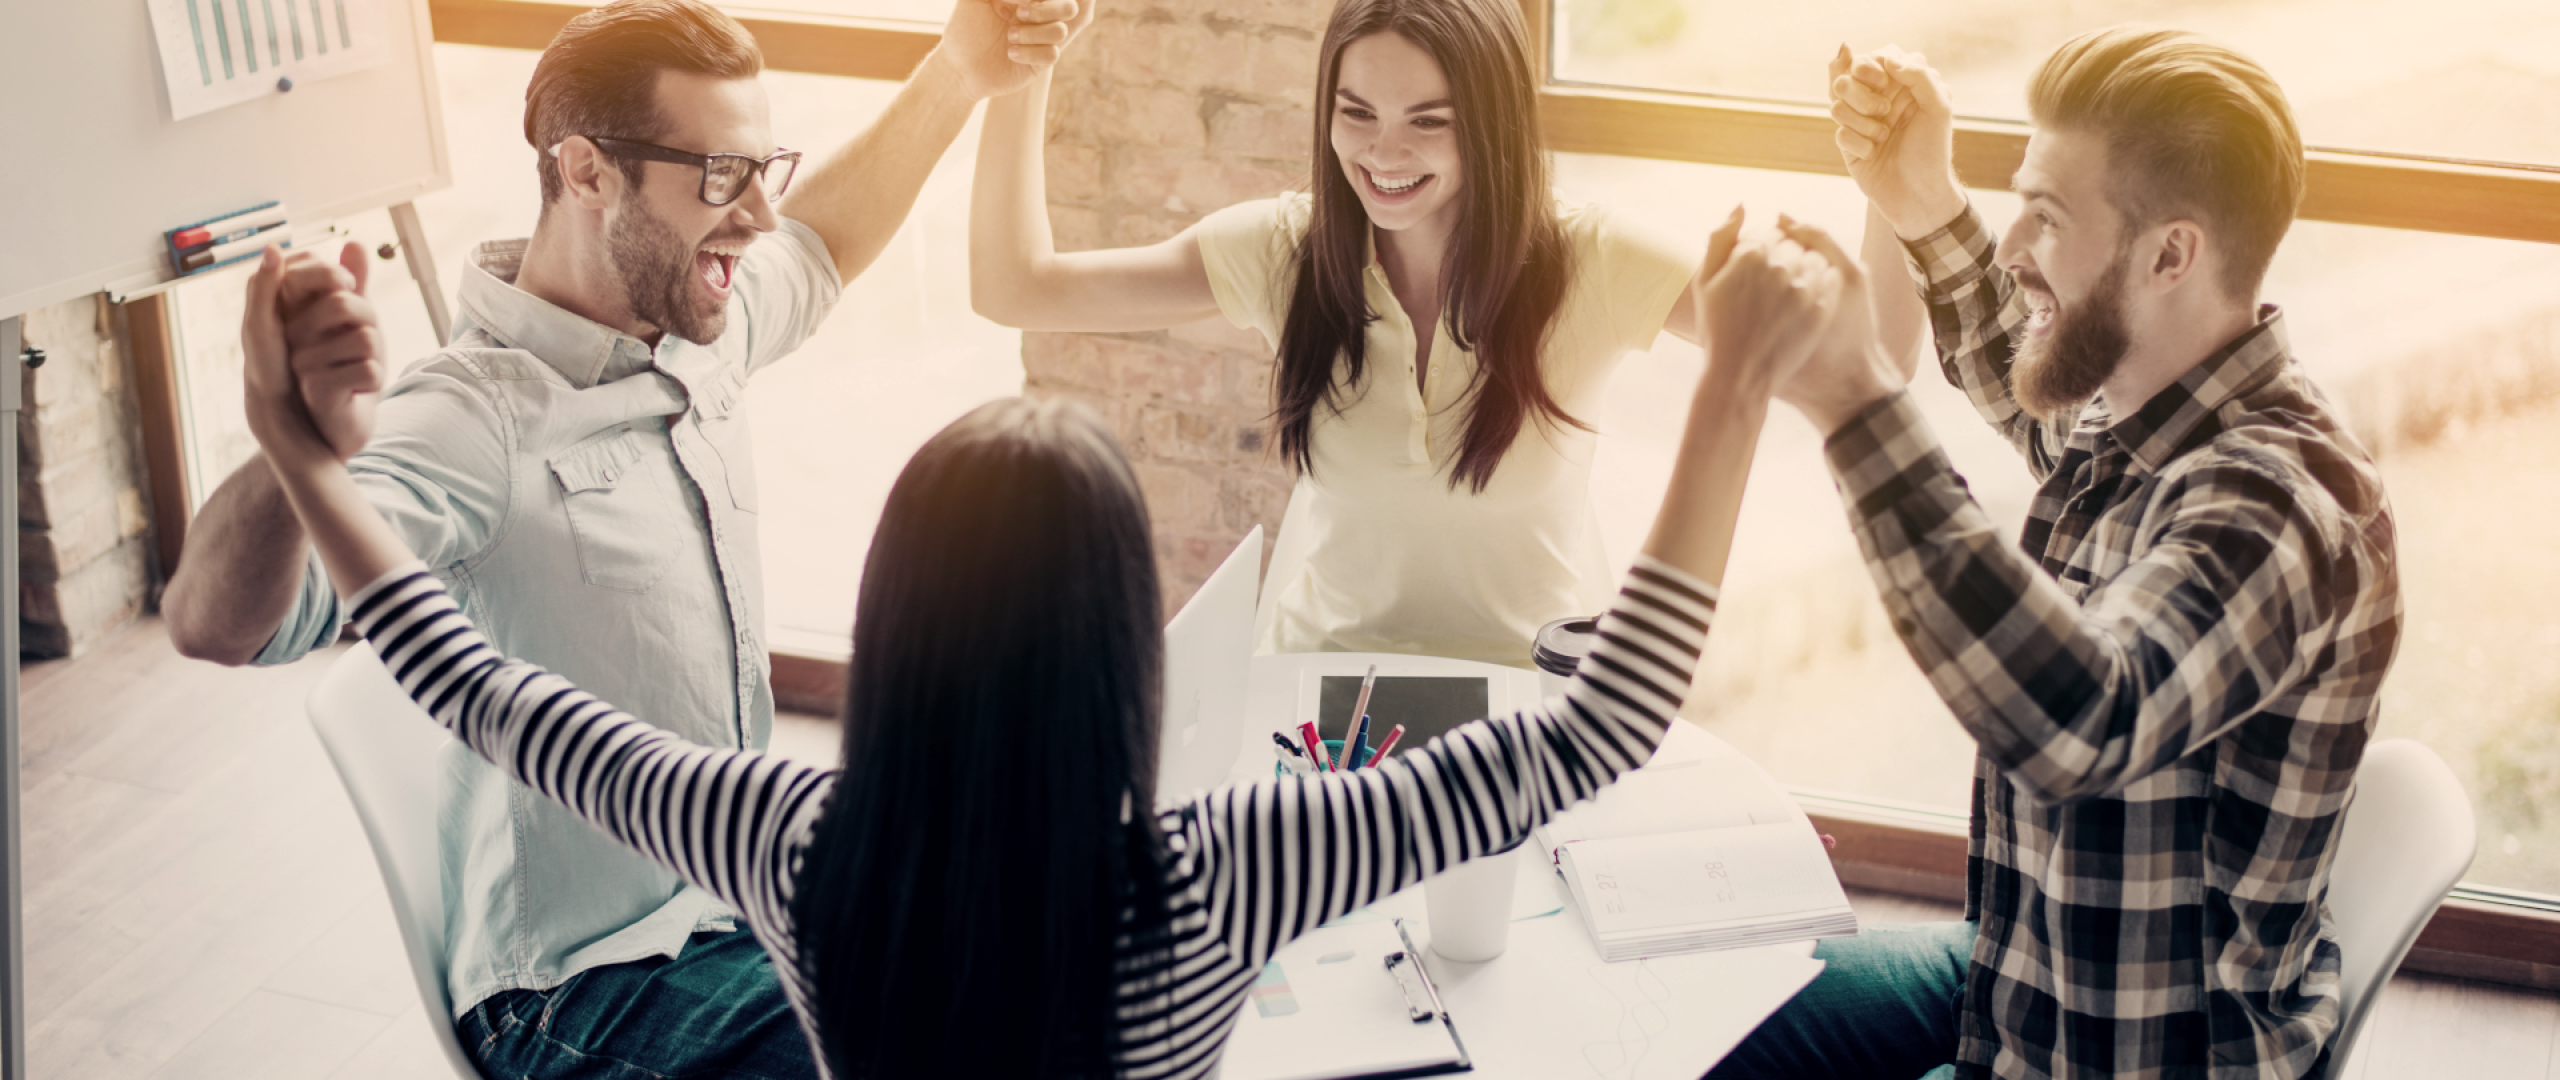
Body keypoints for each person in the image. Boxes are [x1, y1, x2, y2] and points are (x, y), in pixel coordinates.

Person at [232, 191, 1835, 1074]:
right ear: (1115, 656)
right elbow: (1601, 723)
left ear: (894, 630)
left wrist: (303, 445)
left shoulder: (788, 836)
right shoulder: (1226, 868)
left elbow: (471, 680)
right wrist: (1732, 387)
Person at [159, 1, 1091, 1074]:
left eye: (762, 170)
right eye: (717, 176)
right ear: (589, 171)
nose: (758, 217)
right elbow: (213, 626)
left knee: (1033, 963)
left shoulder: (695, 328)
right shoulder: (469, 420)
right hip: (586, 989)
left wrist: (959, 70)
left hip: (740, 912)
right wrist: (293, 453)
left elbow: (825, 244)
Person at [1708, 28, 2403, 1080]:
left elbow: (2083, 720)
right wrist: (1917, 197)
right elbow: (2021, 375)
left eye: (2048, 215)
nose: (2011, 245)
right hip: (2023, 975)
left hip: (2122, 1052)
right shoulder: (2147, 405)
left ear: (2171, 254)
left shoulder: (2279, 504)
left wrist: (1855, 401)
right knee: (1699, 1018)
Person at [970, 0, 1748, 667]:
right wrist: (1021, 71)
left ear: (1492, 126)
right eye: (1357, 113)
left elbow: (1831, 348)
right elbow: (1016, 286)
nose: (1384, 153)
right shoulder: (1286, 251)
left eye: (1429, 122)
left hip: (1527, 714)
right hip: (1321, 704)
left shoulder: (1592, 259)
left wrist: (1879, 200)